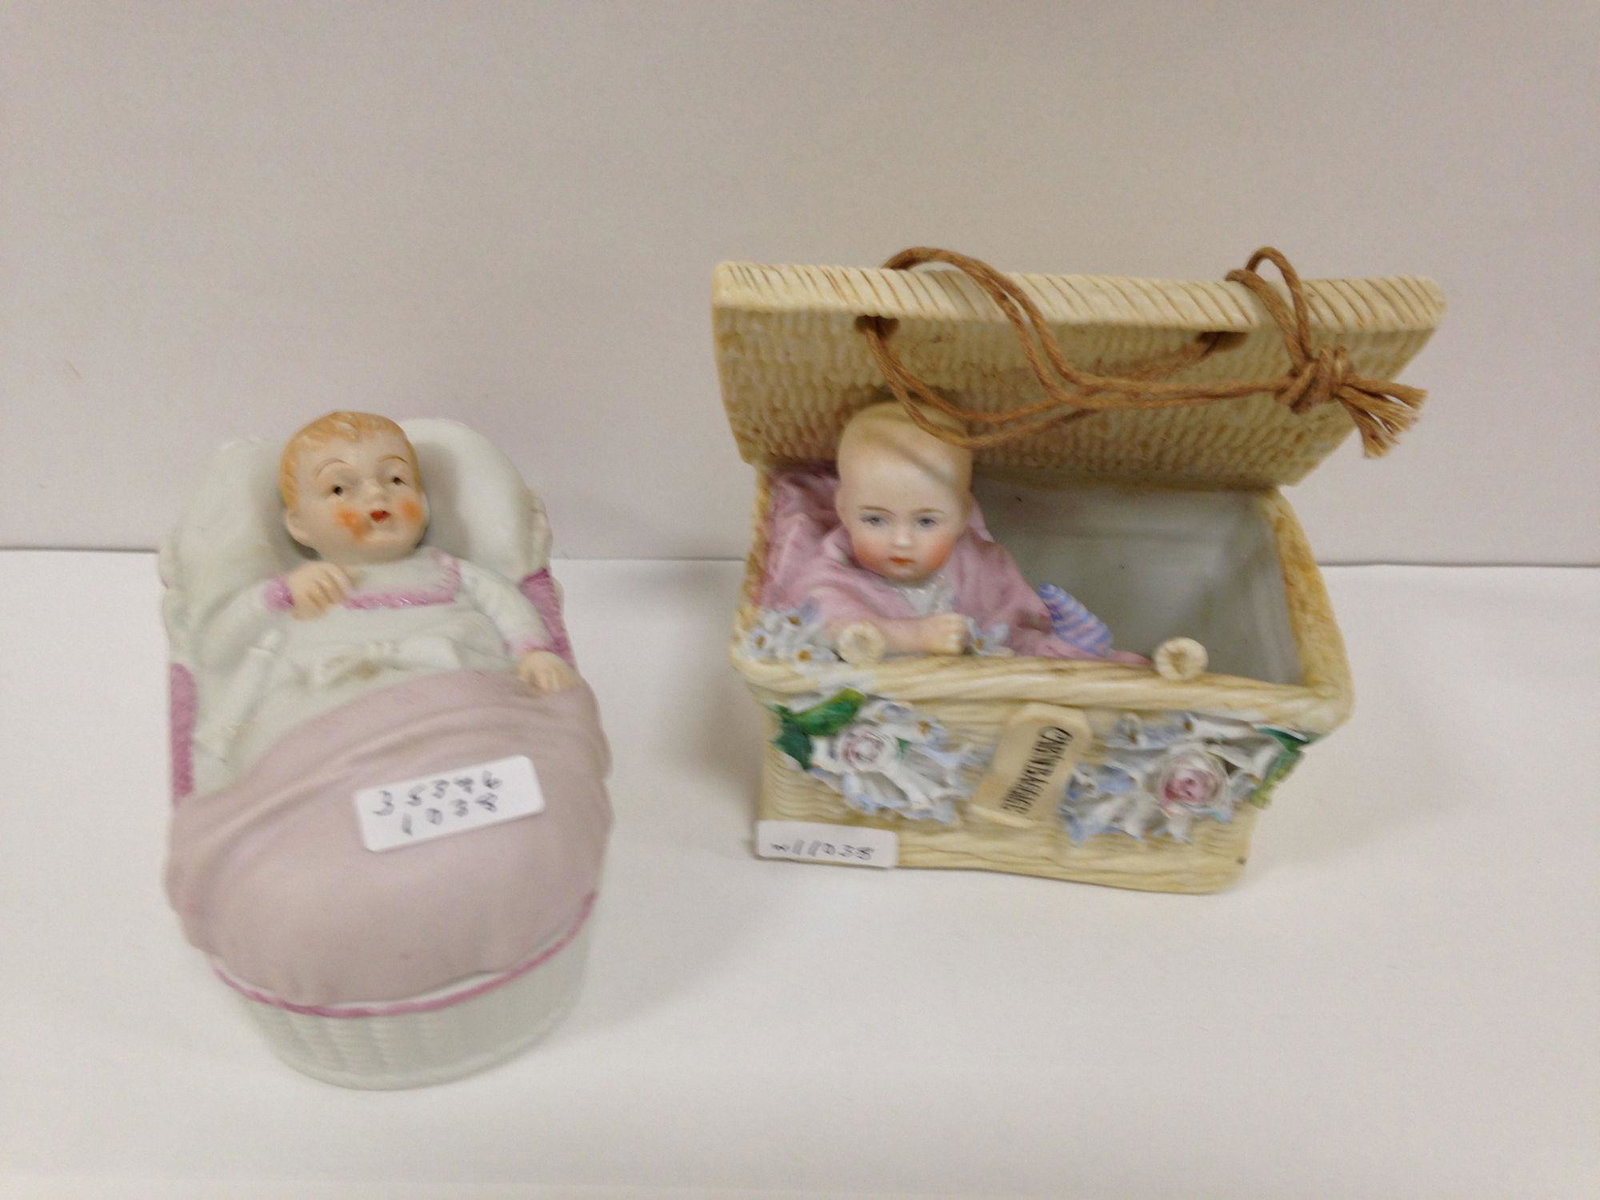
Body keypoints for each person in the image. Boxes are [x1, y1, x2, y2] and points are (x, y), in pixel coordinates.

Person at [197, 411, 576, 772]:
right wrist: (279, 594)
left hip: (451, 700)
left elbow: (507, 607)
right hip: (334, 717)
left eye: (395, 480)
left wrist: (533, 653)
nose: (377, 496)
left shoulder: (450, 574)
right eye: (340, 488)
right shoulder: (301, 590)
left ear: (423, 502)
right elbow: (219, 648)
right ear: (299, 525)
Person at [774, 401, 1144, 664]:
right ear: (843, 510)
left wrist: (1039, 643)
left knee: (1026, 650)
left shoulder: (978, 562)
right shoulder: (836, 568)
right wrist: (909, 636)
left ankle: (1076, 652)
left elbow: (1008, 622)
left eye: (926, 522)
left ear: (962, 515)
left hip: (977, 679)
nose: (901, 540)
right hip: (890, 692)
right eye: (875, 520)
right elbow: (820, 621)